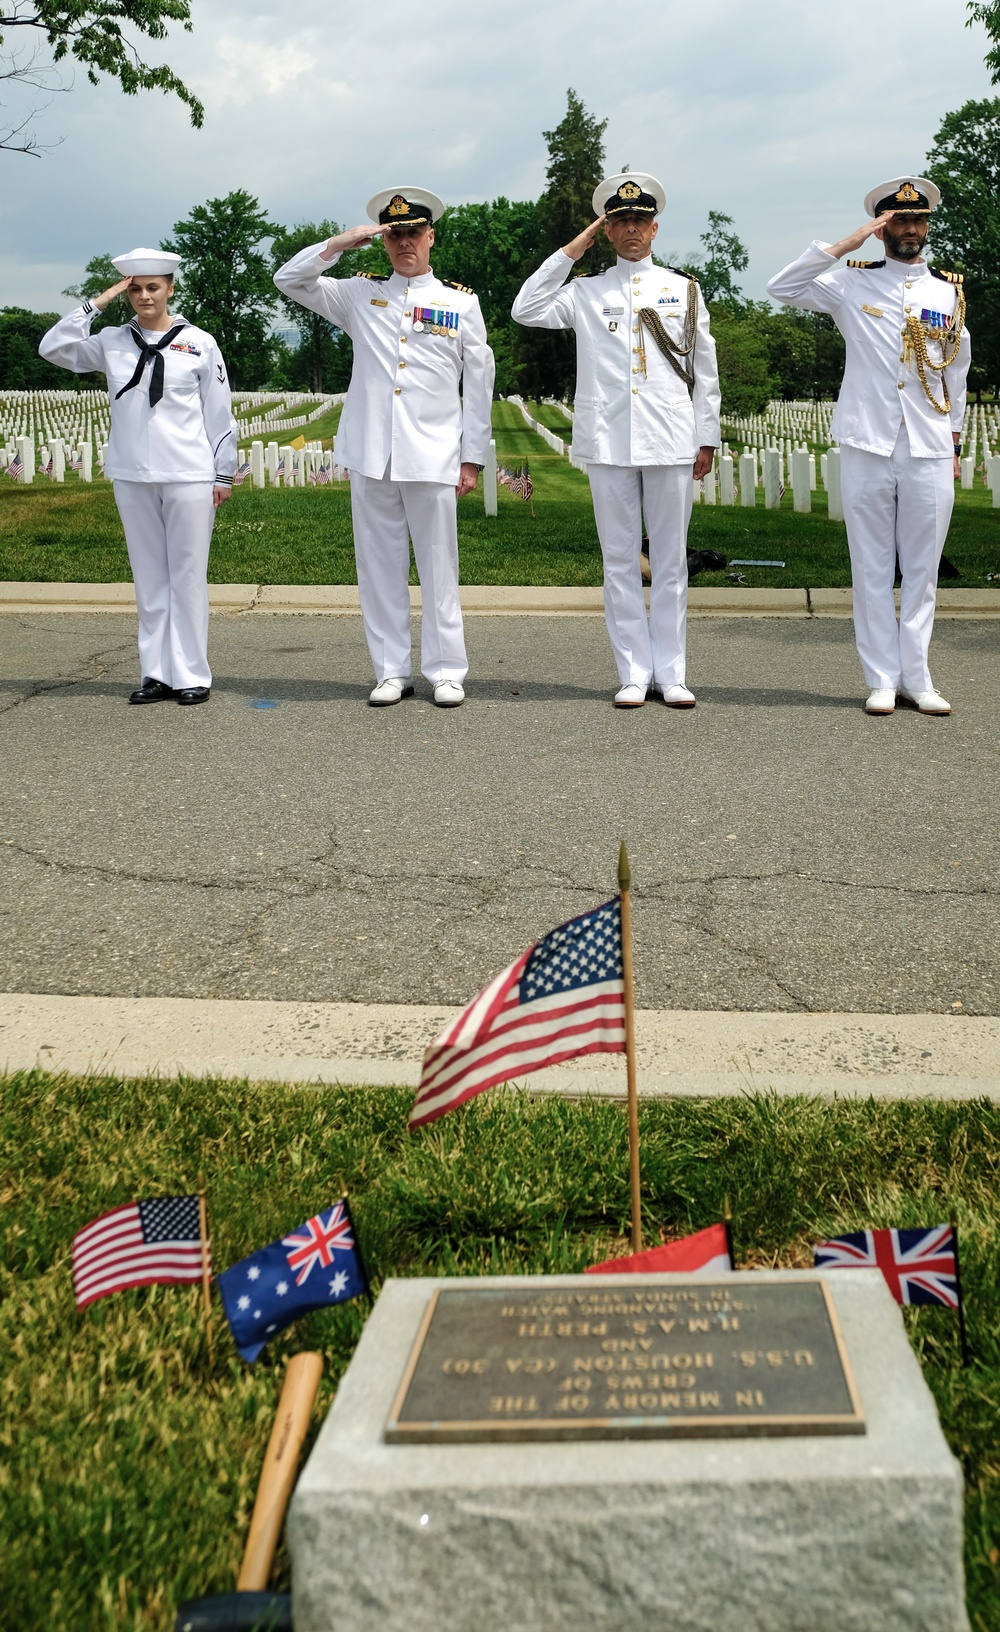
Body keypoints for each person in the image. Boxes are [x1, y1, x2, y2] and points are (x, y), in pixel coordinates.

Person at [274, 188, 495, 707]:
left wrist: (472, 455)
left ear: (430, 236)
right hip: (372, 452)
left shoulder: (459, 301)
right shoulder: (357, 293)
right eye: (394, 234)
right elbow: (289, 280)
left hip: (433, 453)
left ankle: (446, 670)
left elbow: (479, 381)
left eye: (413, 232)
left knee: (440, 566)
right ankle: (390, 670)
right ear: (383, 241)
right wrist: (338, 244)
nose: (404, 243)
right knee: (379, 567)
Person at [511, 173, 720, 708]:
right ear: (608, 230)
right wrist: (573, 249)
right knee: (619, 559)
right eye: (620, 221)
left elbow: (705, 368)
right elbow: (526, 308)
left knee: (670, 561)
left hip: (671, 439)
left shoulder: (684, 290)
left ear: (655, 228)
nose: (631, 229)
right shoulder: (585, 291)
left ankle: (671, 673)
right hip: (608, 441)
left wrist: (707, 436)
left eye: (639, 220)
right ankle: (633, 671)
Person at [767, 178, 970, 716]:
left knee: (922, 569)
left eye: (917, 221)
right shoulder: (850, 284)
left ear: (926, 227)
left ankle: (918, 678)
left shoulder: (948, 292)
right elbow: (781, 288)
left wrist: (954, 443)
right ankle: (882, 678)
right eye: (897, 221)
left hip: (926, 443)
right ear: (882, 228)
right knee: (872, 566)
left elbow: (957, 373)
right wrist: (842, 245)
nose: (909, 229)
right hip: (866, 442)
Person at [39, 248, 237, 705]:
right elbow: (53, 347)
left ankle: (190, 673)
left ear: (170, 288)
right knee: (149, 577)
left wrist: (222, 475)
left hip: (188, 472)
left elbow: (219, 412)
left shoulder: (200, 342)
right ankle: (156, 673)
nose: (144, 296)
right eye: (135, 288)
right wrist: (97, 303)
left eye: (153, 287)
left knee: (187, 575)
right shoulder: (111, 341)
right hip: (132, 473)